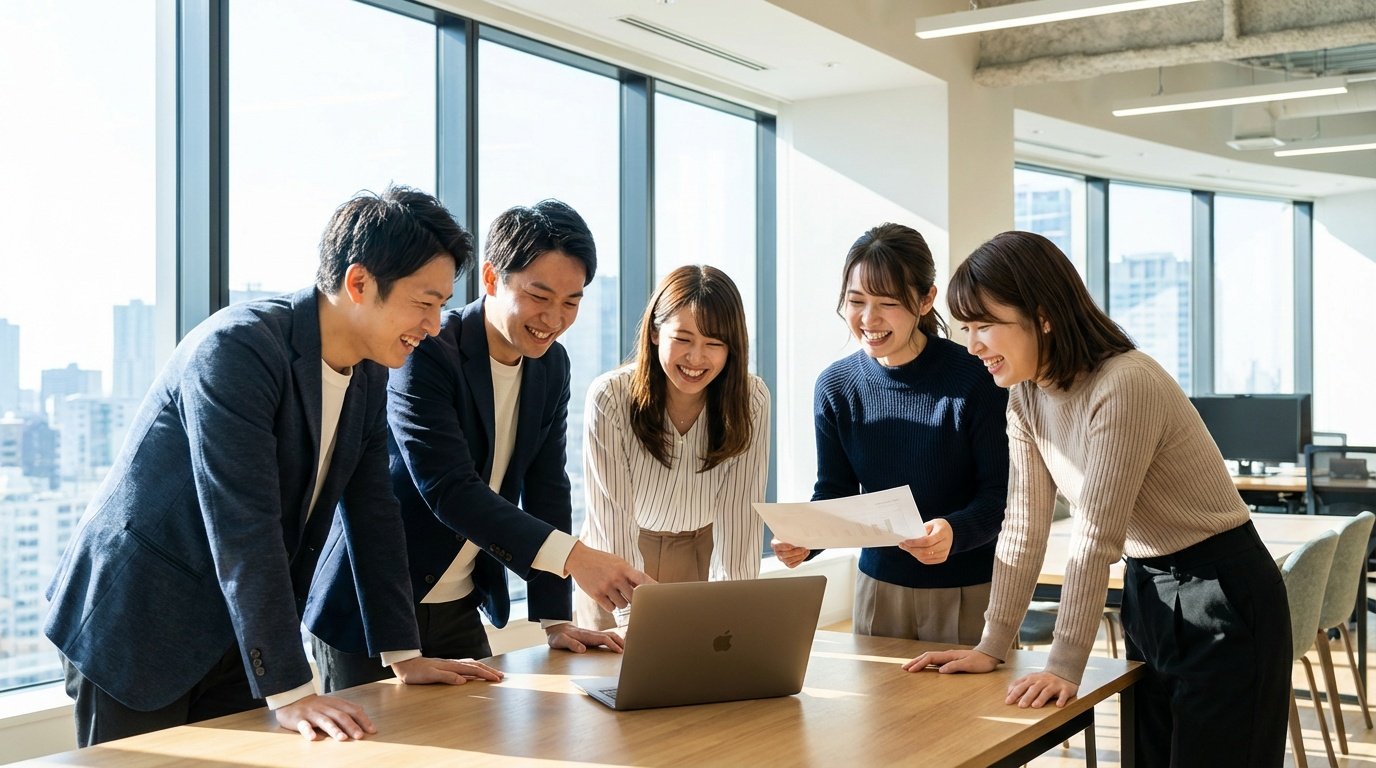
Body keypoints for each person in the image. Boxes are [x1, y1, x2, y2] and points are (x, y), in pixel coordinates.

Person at [44, 186, 502, 748]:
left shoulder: (367, 373)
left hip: (240, 635)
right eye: (424, 302)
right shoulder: (238, 348)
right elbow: (244, 524)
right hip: (140, 622)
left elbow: (373, 515)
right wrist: (292, 688)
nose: (434, 325)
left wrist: (403, 654)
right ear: (359, 283)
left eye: (442, 305)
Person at [904, 230, 1291, 766]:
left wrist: (1064, 664)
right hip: (1147, 588)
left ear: (1042, 316)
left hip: (1221, 593)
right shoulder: (1025, 396)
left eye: (985, 325)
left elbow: (1094, 537)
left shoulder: (1124, 382)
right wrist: (992, 644)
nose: (973, 346)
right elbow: (1023, 527)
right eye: (965, 329)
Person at [309, 200, 652, 691]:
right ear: (491, 278)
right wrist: (576, 557)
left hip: (460, 602)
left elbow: (547, 486)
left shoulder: (551, 365)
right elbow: (449, 488)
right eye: (539, 295)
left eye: (571, 302)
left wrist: (554, 619)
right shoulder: (427, 350)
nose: (554, 318)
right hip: (370, 607)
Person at [772, 223, 1008, 645]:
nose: (869, 319)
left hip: (971, 589)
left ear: (925, 299)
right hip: (878, 590)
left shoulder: (976, 379)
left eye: (887, 303)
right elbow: (835, 490)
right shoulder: (836, 387)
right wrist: (807, 540)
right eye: (856, 301)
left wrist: (954, 531)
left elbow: (1001, 495)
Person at [576, 264, 770, 629]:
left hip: (699, 555)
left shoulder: (751, 399)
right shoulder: (610, 397)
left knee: (707, 660)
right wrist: (631, 621)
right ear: (654, 332)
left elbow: (740, 519)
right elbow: (612, 521)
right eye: (683, 339)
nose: (696, 358)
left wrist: (736, 615)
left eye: (714, 343)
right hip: (614, 567)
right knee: (617, 666)